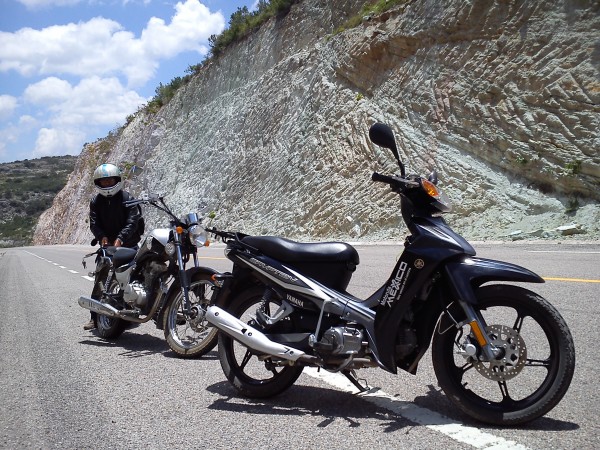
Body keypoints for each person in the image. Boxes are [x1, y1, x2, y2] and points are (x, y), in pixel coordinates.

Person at [83, 163, 143, 330]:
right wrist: (102, 237)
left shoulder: (128, 198)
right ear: (98, 184)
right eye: (104, 182)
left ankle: (132, 310)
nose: (107, 184)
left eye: (110, 180)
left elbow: (132, 222)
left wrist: (121, 239)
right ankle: (94, 318)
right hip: (107, 246)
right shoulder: (95, 201)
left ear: (117, 180)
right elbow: (94, 223)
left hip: (128, 244)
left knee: (136, 276)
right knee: (101, 279)